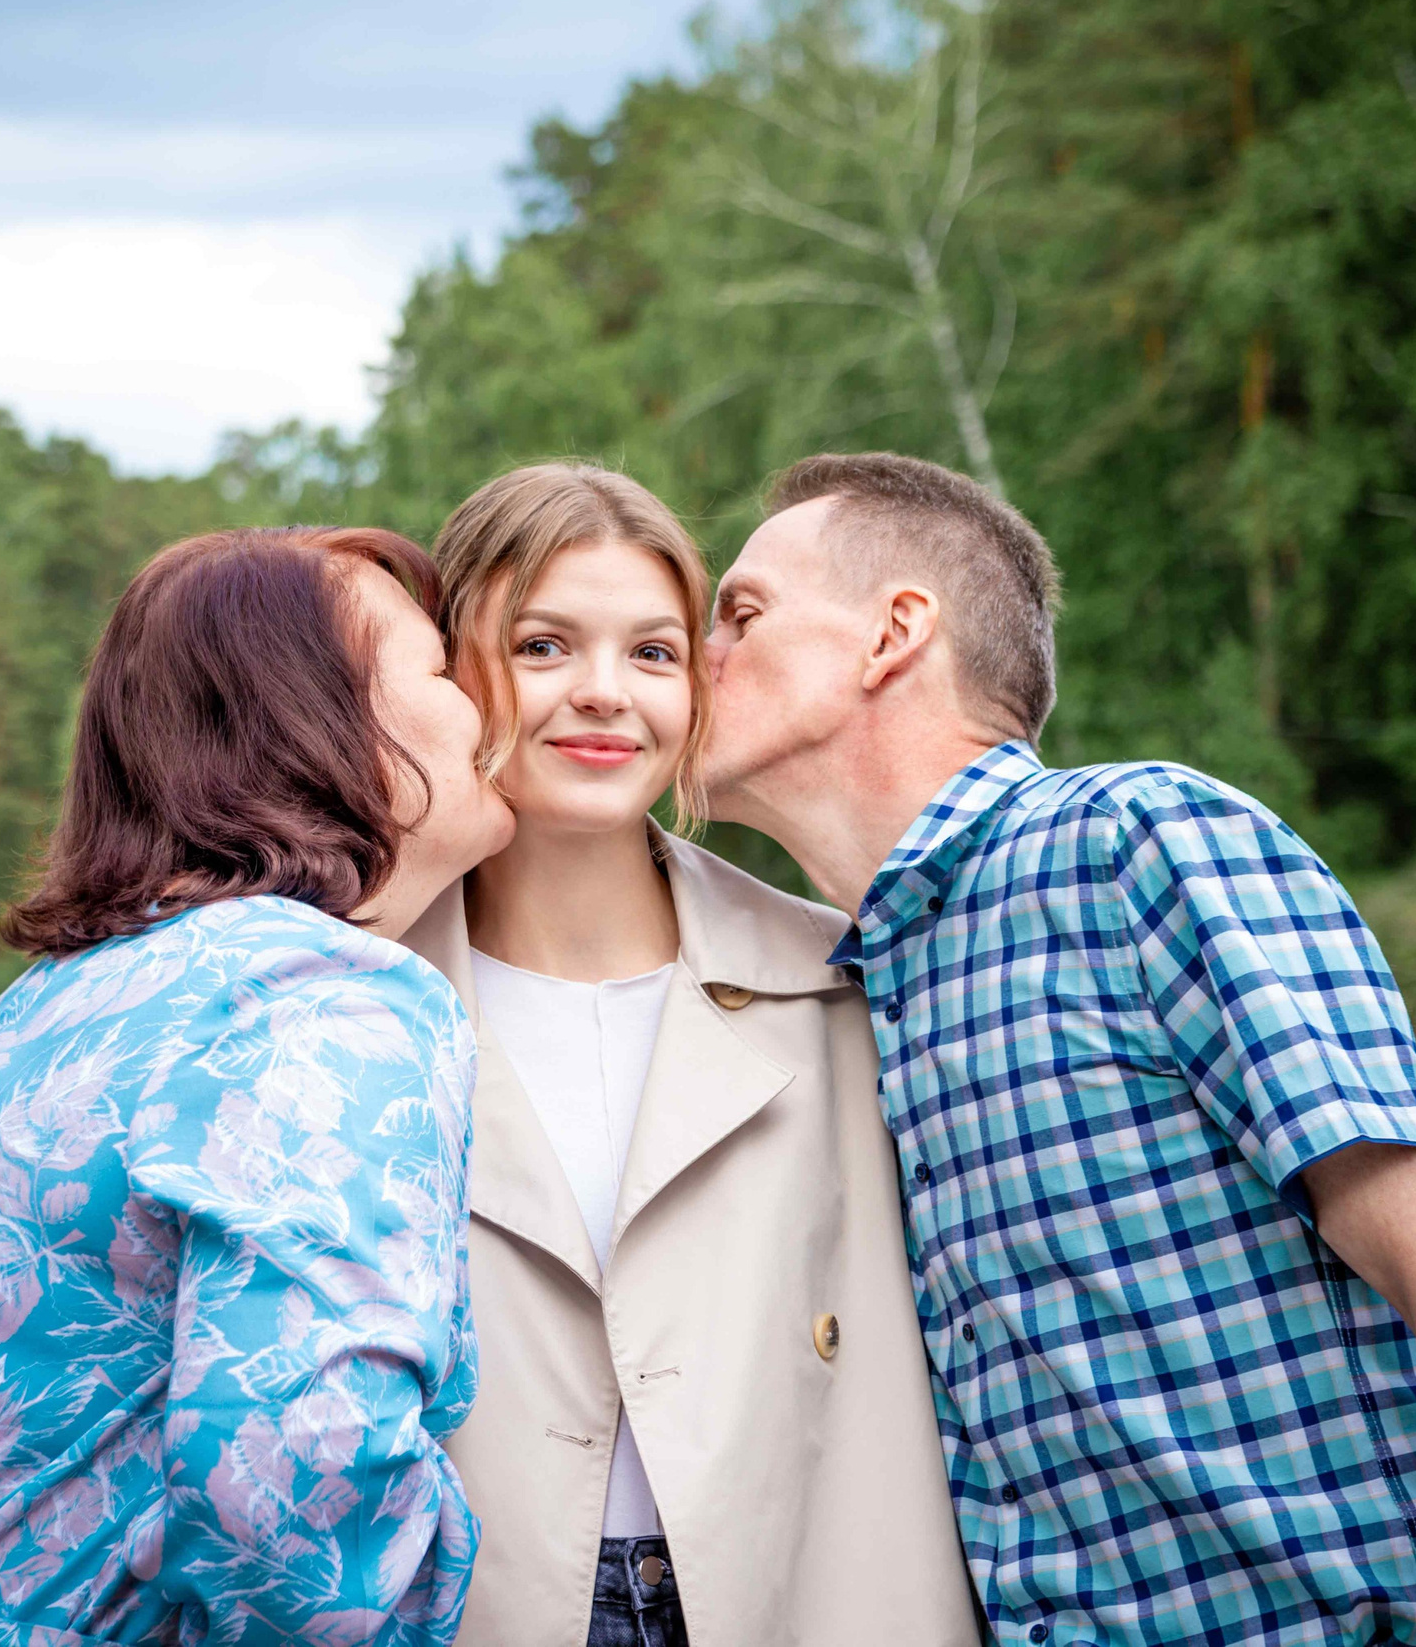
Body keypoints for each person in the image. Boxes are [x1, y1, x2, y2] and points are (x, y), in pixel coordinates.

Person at [702, 452, 1416, 1647]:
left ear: (892, 635)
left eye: (740, 615)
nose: (697, 654)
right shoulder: (859, 984)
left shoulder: (1136, 842)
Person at [0, 527, 514, 1647]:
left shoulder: (50, 1003)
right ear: (320, 723)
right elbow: (294, 1511)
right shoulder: (320, 993)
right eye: (437, 669)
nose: (484, 705)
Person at [400, 463, 982, 1647]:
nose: (604, 695)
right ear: (456, 677)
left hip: (796, 1604)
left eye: (655, 654)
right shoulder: (357, 998)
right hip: (471, 1609)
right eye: (544, 646)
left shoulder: (843, 982)